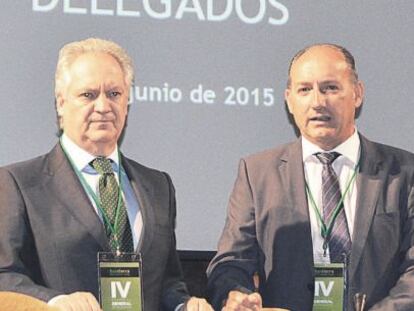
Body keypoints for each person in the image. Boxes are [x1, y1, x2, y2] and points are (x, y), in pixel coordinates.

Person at [0, 38, 212, 311]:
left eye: (114, 94)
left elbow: (167, 284)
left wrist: (185, 305)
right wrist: (53, 302)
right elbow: (4, 276)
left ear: (127, 103)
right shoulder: (19, 184)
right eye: (88, 95)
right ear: (61, 104)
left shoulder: (158, 186)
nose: (103, 106)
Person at [206, 43, 414, 310]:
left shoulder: (404, 172)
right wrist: (234, 294)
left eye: (330, 88)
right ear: (289, 100)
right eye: (305, 90)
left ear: (357, 94)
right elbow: (231, 262)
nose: (318, 101)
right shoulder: (257, 173)